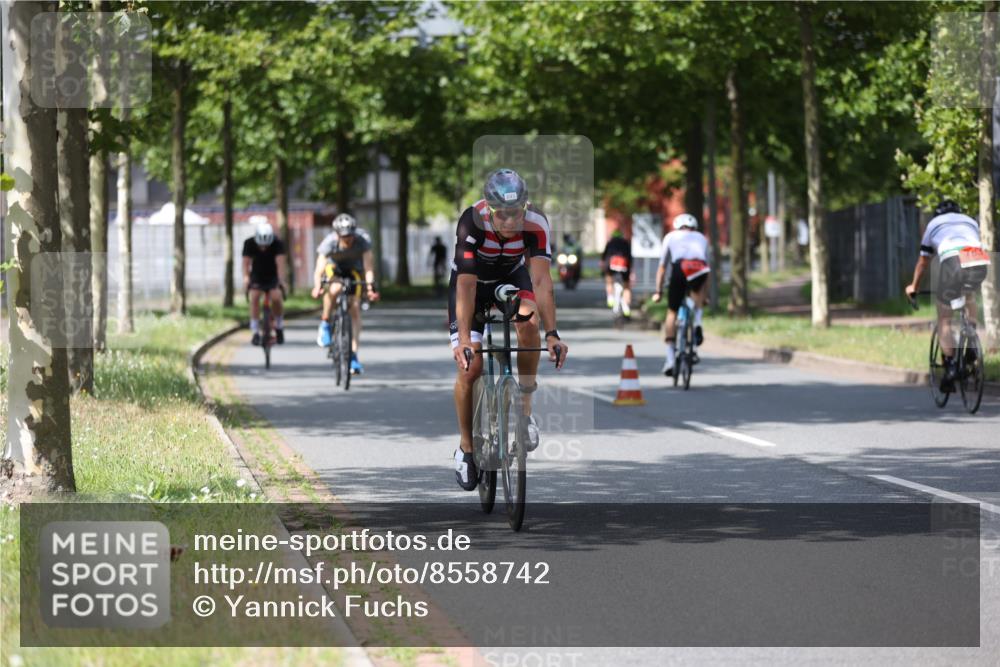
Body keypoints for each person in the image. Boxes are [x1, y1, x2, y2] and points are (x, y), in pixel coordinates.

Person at [450, 168, 568, 491]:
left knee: (529, 324)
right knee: (470, 368)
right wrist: (463, 340)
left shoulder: (536, 223)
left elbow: (542, 281)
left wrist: (553, 333)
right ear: (489, 209)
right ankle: (466, 449)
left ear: (525, 207)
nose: (509, 221)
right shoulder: (472, 222)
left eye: (515, 213)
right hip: (472, 284)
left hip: (511, 278)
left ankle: (525, 413)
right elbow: (466, 287)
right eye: (501, 214)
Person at [905, 199, 989, 391]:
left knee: (944, 317)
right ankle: (972, 338)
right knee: (969, 296)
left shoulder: (933, 224)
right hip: (978, 259)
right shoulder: (970, 221)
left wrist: (914, 287)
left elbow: (923, 261)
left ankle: (950, 366)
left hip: (952, 261)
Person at [311, 213, 379, 374]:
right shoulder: (329, 243)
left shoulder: (362, 241)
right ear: (336, 234)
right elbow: (319, 269)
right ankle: (325, 323)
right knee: (334, 289)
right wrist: (317, 286)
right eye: (343, 237)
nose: (347, 240)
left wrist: (370, 288)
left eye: (350, 236)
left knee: (354, 307)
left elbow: (368, 267)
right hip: (334, 269)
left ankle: (353, 355)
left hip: (353, 271)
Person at [652, 213, 711, 376]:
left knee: (672, 312)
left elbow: (662, 266)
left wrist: (658, 291)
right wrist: (705, 295)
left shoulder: (671, 237)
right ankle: (698, 323)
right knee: (697, 298)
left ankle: (670, 359)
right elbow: (708, 269)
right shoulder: (702, 238)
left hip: (680, 268)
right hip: (698, 268)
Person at [242, 217, 287, 346]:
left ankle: (278, 326)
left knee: (276, 297)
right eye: (261, 245)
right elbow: (245, 264)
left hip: (273, 275)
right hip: (257, 275)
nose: (263, 248)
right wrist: (246, 279)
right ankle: (255, 330)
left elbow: (280, 264)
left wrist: (281, 281)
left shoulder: (278, 243)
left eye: (266, 245)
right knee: (254, 297)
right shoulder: (249, 243)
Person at [601, 229, 633, 316]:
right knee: (627, 287)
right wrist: (630, 271)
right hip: (624, 265)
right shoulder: (626, 243)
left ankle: (610, 297)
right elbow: (629, 257)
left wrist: (603, 266)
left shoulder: (610, 243)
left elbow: (604, 256)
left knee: (609, 280)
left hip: (611, 264)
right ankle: (626, 306)